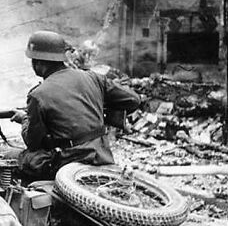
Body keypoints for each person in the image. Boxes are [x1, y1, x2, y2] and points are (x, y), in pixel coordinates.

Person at [10, 30, 141, 182]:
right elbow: (133, 100)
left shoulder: (38, 95)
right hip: (101, 155)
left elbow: (32, 143)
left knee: (12, 158)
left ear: (38, 62)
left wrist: (25, 119)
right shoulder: (93, 77)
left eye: (33, 60)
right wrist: (104, 115)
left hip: (67, 163)